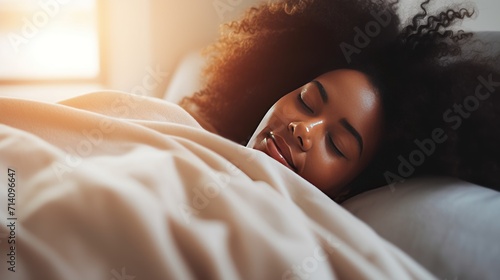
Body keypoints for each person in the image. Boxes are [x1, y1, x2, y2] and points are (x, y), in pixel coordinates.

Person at [181, 0, 500, 201]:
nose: (302, 129)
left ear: (347, 189)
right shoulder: (181, 131)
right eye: (306, 102)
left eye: (336, 144)